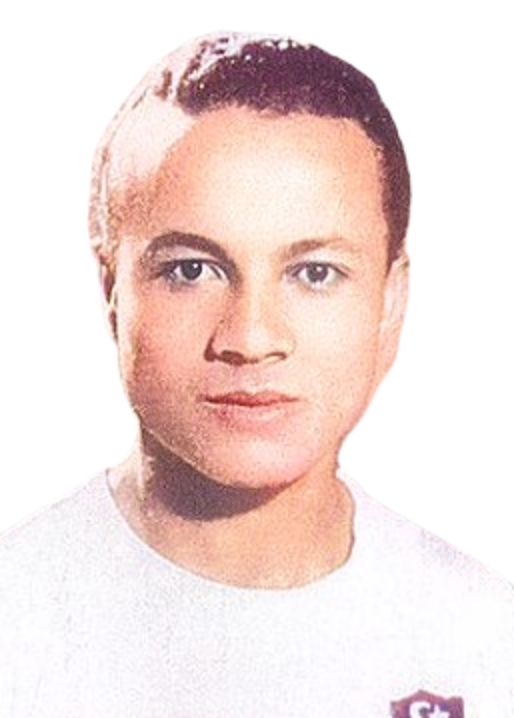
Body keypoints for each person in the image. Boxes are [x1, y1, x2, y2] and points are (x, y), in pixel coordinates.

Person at [0, 29, 512, 718]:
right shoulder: (15, 617)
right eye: (192, 270)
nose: (252, 339)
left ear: (394, 299)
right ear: (110, 290)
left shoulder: (485, 632)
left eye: (315, 273)